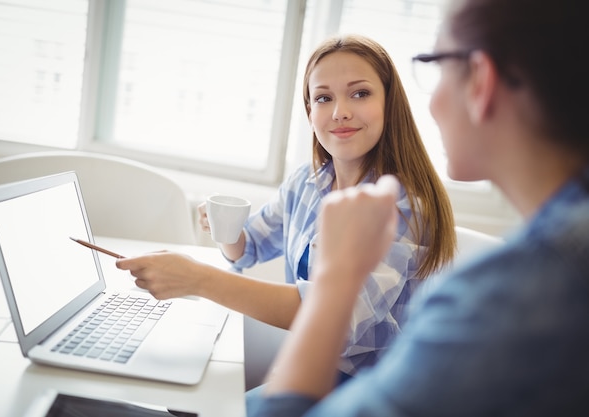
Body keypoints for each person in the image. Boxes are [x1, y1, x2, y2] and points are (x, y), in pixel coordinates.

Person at [247, 0, 589, 415]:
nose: (431, 103)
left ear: (480, 81)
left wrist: (338, 279)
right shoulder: (555, 258)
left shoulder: (510, 295)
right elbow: (250, 241)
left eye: (437, 64)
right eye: (323, 98)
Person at [116, 34, 456, 384]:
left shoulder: (401, 203)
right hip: (307, 369)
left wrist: (197, 278)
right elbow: (248, 249)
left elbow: (336, 319)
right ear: (311, 112)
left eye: (360, 93)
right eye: (324, 98)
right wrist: (225, 229)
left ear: (390, 103)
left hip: (366, 390)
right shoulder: (306, 184)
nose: (340, 111)